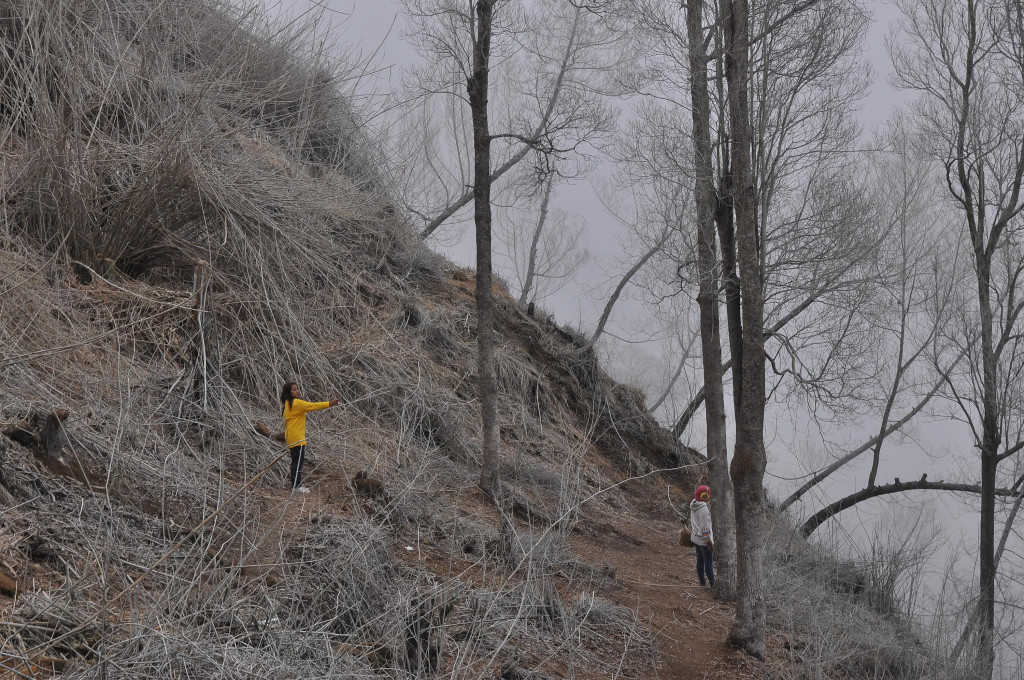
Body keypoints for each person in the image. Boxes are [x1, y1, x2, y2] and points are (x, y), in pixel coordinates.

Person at [280, 382, 338, 493]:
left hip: (291, 437)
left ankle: (295, 485)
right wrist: (329, 404)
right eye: (294, 389)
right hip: (297, 438)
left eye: (297, 389)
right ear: (289, 392)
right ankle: (297, 486)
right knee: (298, 462)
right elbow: (312, 406)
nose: (297, 391)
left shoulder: (287, 404)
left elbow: (286, 423)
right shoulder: (296, 403)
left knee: (295, 462)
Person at [690, 484, 715, 587]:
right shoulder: (703, 509)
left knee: (700, 561)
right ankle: (713, 584)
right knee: (708, 563)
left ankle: (702, 582)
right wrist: (709, 543)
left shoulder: (693, 503)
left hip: (695, 538)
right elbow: (705, 529)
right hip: (704, 541)